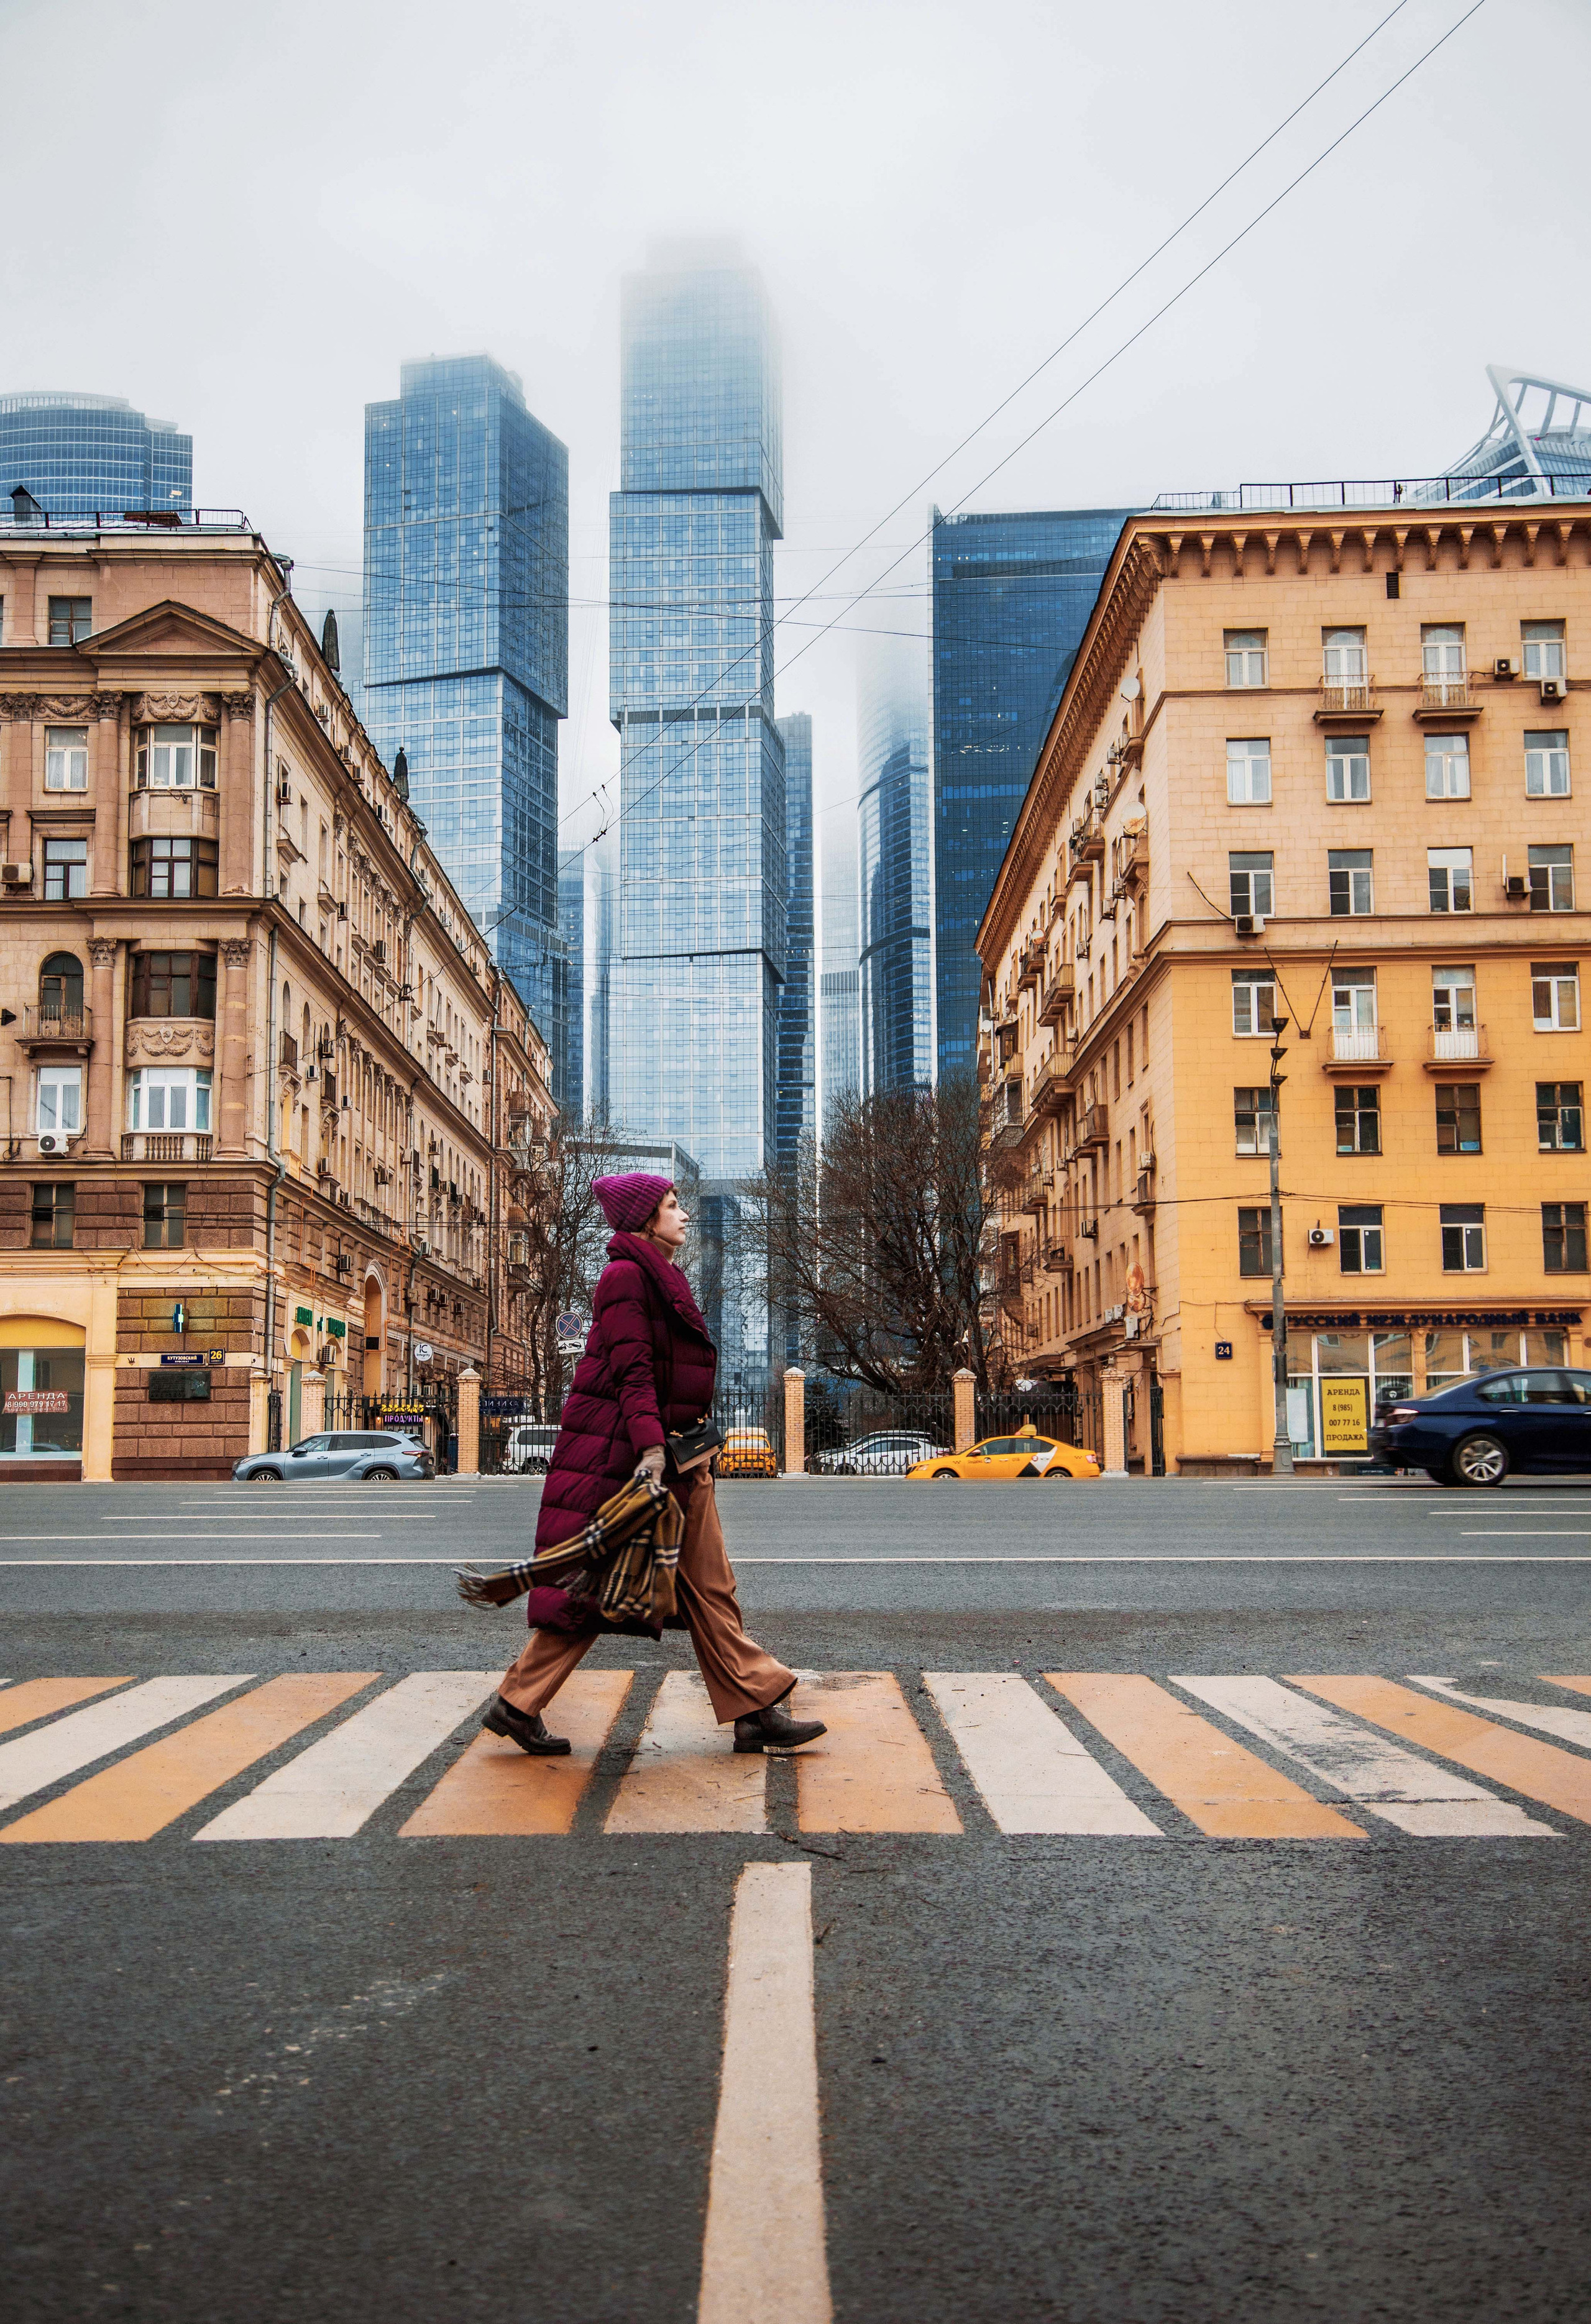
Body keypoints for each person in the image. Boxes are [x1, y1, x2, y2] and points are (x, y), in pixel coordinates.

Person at [483, 1172, 827, 1758]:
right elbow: (631, 1371)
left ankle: (753, 1708)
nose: (684, 1215)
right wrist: (647, 1452)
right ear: (647, 1218)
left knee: (710, 1588)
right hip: (635, 1456)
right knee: (594, 1590)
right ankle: (517, 1703)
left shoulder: (658, 1274)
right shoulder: (625, 1277)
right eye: (673, 1206)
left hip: (681, 1453)